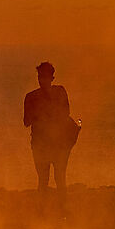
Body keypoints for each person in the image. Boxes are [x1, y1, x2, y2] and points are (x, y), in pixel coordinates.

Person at [23, 61, 77, 191]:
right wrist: (39, 114)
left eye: (45, 77)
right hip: (39, 143)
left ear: (52, 78)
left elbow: (66, 112)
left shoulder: (60, 92)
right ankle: (42, 210)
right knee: (43, 180)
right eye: (40, 77)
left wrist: (49, 113)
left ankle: (62, 208)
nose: (42, 80)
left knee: (60, 178)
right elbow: (26, 122)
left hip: (59, 143)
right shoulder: (31, 97)